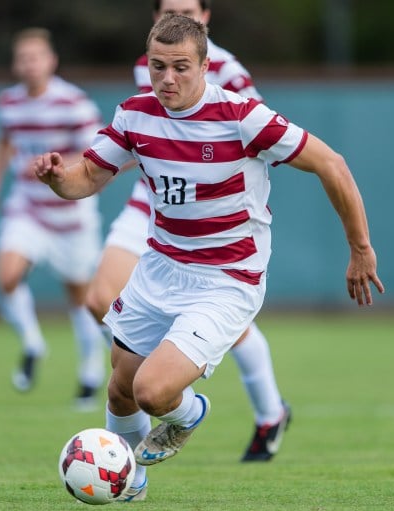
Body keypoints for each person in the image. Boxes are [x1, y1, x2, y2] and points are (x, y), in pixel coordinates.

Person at [34, 14, 384, 501]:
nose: (167, 78)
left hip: (226, 277)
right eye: (158, 66)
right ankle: (131, 483)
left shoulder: (244, 118)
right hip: (160, 267)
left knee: (153, 393)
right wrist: (58, 179)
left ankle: (189, 413)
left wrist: (360, 249)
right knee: (120, 387)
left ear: (204, 66)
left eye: (180, 67)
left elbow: (332, 164)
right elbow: (87, 178)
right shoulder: (135, 115)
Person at [84, 0, 291, 464]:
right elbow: (146, 131)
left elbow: (252, 142)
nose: (168, 75)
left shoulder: (231, 74)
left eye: (188, 10)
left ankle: (270, 411)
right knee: (100, 299)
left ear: (207, 16)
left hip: (212, 214)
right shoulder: (148, 66)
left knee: (220, 324)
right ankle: (133, 432)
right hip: (155, 200)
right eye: (169, 11)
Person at [0, 28, 107, 409]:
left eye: (36, 57)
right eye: (23, 58)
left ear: (51, 61)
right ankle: (34, 343)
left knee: (82, 298)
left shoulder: (74, 104)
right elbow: (6, 139)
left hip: (71, 215)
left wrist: (63, 173)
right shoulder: (9, 102)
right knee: (6, 277)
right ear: (16, 64)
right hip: (29, 208)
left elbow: (96, 153)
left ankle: (90, 371)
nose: (29, 65)